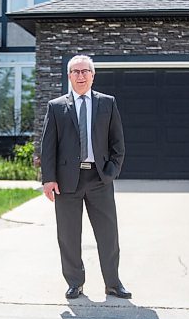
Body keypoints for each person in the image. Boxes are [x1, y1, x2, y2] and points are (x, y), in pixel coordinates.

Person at [41, 55, 131, 299]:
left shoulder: (107, 103)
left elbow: (118, 143)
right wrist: (48, 179)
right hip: (66, 181)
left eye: (85, 71)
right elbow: (47, 147)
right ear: (69, 76)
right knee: (69, 236)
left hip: (99, 179)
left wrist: (111, 171)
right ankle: (75, 282)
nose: (80, 76)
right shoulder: (56, 106)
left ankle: (113, 283)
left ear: (93, 75)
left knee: (108, 234)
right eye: (75, 71)